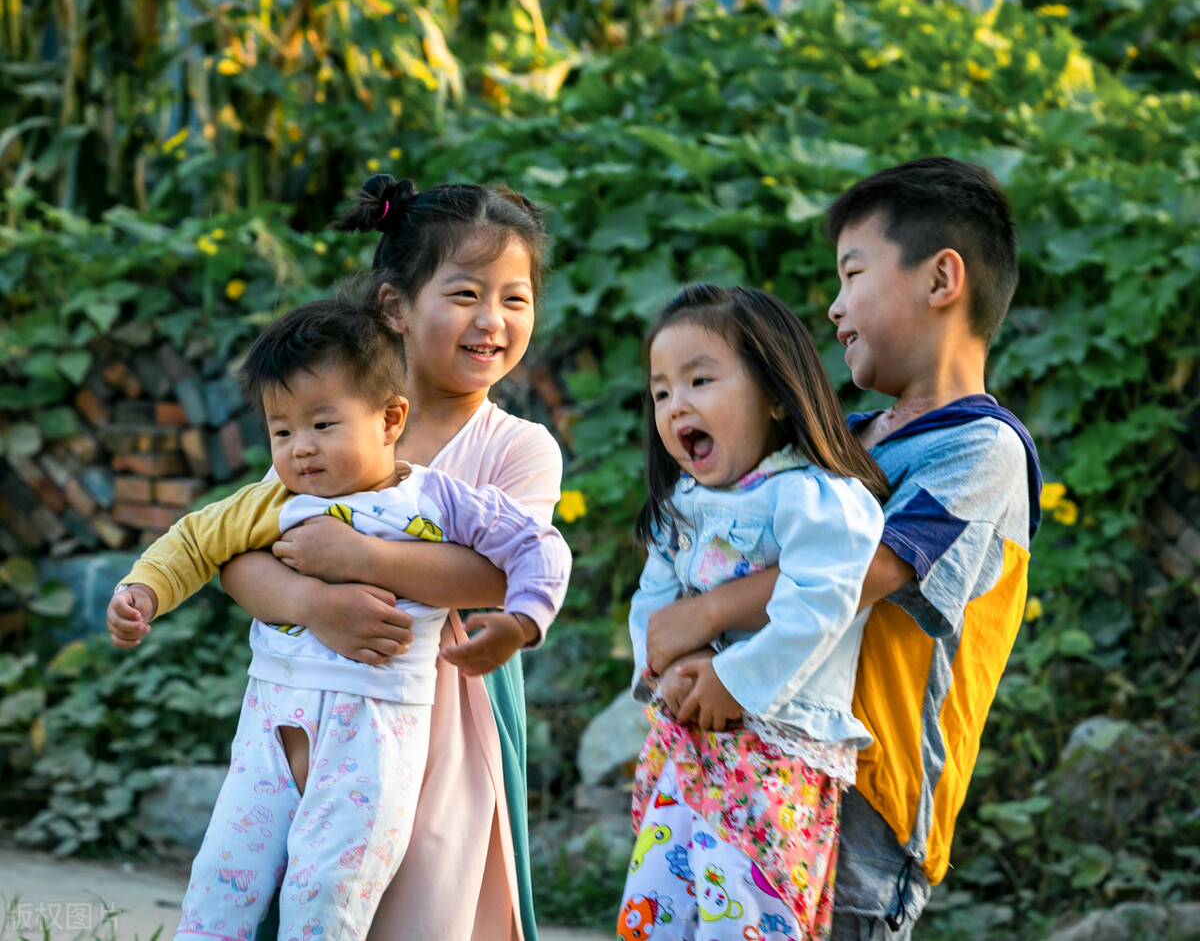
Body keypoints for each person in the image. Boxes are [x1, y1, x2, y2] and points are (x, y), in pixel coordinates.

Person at [639, 157, 1043, 940]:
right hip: (771, 762)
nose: (832, 306)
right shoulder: (845, 442)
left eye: (852, 273)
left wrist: (703, 621)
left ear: (942, 279)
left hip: (874, 793)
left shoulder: (980, 450)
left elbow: (858, 573)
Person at [106, 295, 571, 940]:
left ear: (389, 419)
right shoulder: (277, 499)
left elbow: (535, 546)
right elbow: (196, 541)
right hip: (271, 727)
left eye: (322, 425)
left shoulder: (437, 501)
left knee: (327, 894)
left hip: (374, 733)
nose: (300, 449)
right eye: (281, 430)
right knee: (221, 881)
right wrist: (142, 590)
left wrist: (523, 621)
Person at [214, 176, 562, 941]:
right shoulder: (335, 425)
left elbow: (499, 574)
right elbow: (236, 548)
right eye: (466, 293)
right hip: (317, 702)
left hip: (450, 710)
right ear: (394, 304)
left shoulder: (517, 448)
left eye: (515, 297)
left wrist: (357, 555)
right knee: (310, 893)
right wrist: (310, 602)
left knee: (422, 900)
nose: (492, 320)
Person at [619, 284, 891, 941]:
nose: (676, 403)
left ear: (775, 393)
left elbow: (820, 599)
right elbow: (653, 604)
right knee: (660, 912)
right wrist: (669, 667)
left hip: (773, 758)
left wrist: (734, 677)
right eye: (661, 392)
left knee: (746, 916)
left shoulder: (817, 497)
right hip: (684, 745)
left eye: (700, 379)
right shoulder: (682, 503)